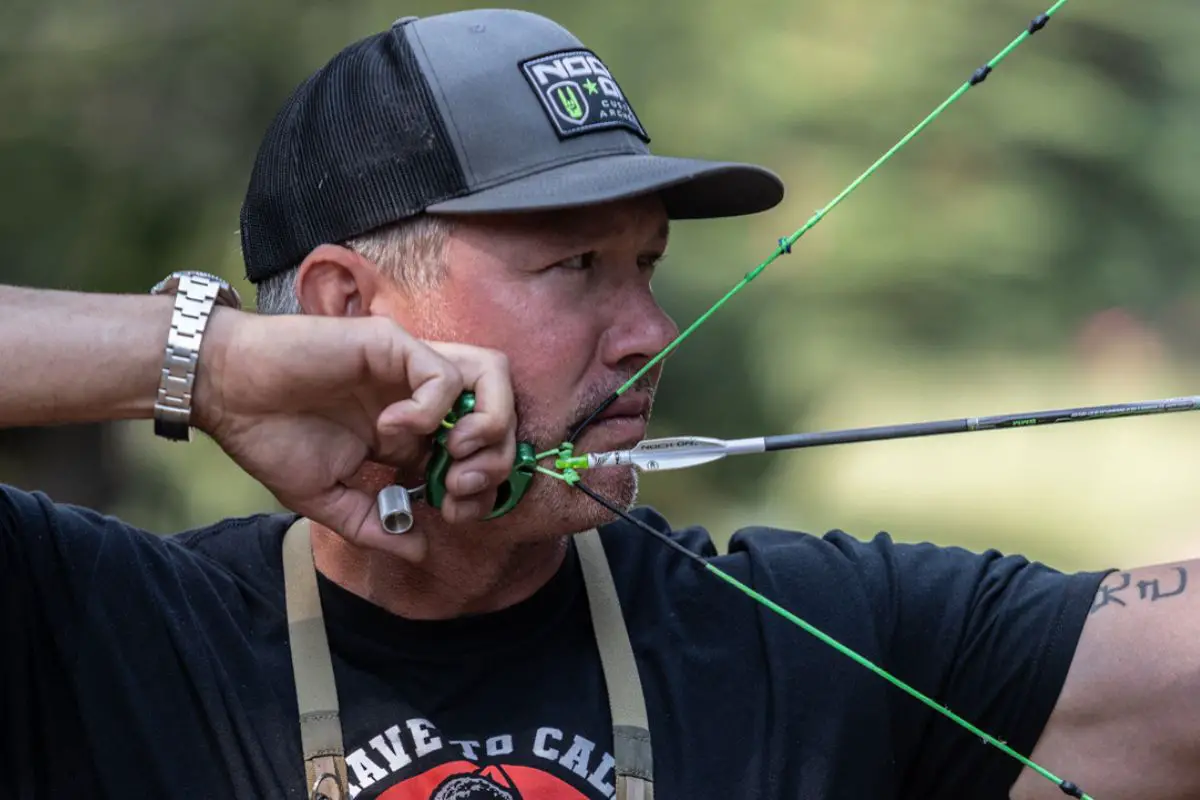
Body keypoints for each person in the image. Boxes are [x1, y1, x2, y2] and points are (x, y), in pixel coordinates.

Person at [1, 8, 1197, 800]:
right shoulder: (103, 630)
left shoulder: (808, 636)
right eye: (576, 267)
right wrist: (204, 360)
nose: (650, 335)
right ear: (344, 306)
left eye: (648, 267)